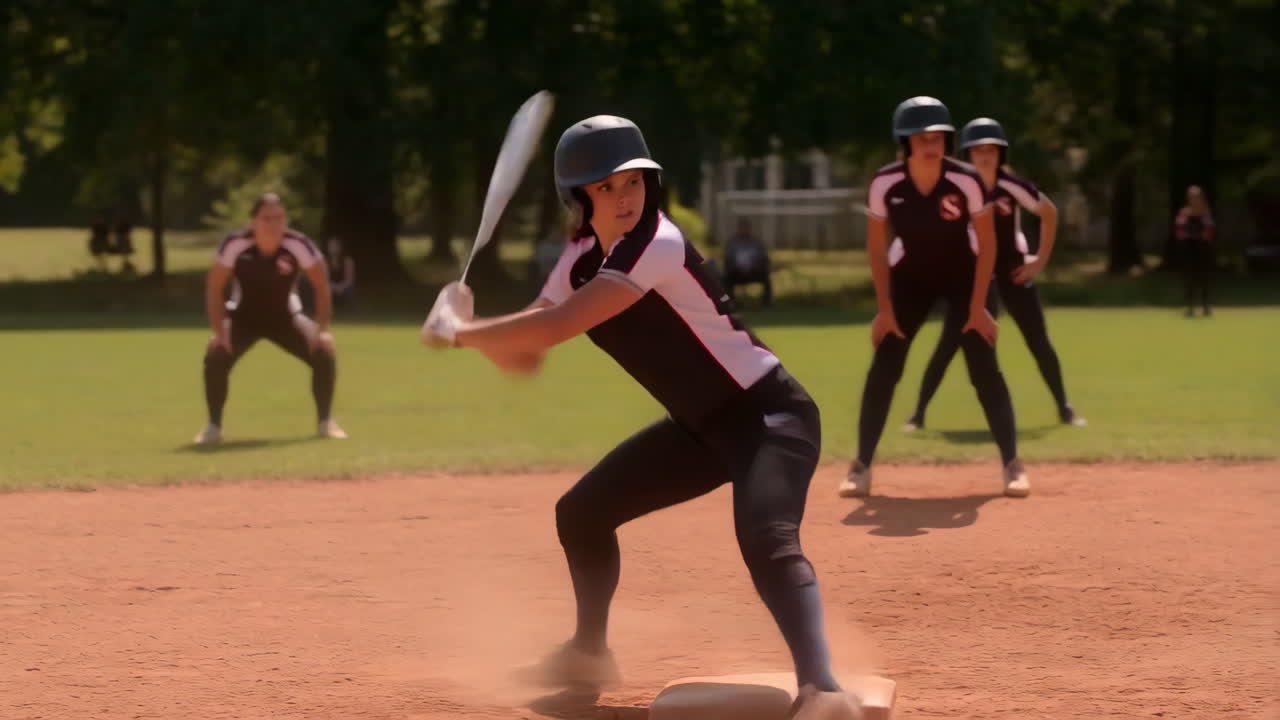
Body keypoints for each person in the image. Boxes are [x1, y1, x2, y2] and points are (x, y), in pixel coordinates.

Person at [421, 115, 863, 719]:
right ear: (580, 199)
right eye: (604, 187)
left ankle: (824, 690)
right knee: (582, 513)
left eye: (631, 181)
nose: (623, 196)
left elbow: (553, 327)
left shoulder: (658, 242)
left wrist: (460, 335)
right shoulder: (578, 259)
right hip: (700, 428)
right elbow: (525, 356)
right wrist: (468, 320)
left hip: (769, 417)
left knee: (766, 537)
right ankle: (588, 653)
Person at [840, 97, 1029, 499]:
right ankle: (861, 466)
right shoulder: (885, 183)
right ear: (905, 143)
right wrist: (885, 310)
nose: (932, 145)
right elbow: (877, 250)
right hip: (910, 279)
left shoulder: (965, 180)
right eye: (922, 138)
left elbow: (989, 244)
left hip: (966, 277)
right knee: (885, 366)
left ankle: (1013, 464)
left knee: (983, 367)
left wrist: (978, 307)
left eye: (939, 137)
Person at [903, 118, 1086, 431]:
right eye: (978, 150)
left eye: (991, 149)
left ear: (1001, 153)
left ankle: (1065, 407)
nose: (985, 156)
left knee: (1038, 341)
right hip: (972, 278)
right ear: (967, 154)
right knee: (949, 343)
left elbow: (1048, 212)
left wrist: (1039, 260)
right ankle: (918, 414)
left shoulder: (1009, 184)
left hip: (1012, 271)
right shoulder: (955, 185)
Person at [192, 193, 347, 445]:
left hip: (285, 317)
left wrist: (322, 330)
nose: (273, 224)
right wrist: (220, 333)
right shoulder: (235, 244)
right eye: (266, 218)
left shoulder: (298, 244)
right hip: (243, 317)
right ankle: (213, 427)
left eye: (279, 218)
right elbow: (214, 288)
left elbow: (321, 286)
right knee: (216, 353)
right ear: (253, 222)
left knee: (325, 350)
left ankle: (325, 423)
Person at [1176, 185, 1215, 317]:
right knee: (1189, 277)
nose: (1194, 199)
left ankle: (1206, 305)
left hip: (1203, 248)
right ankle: (1190, 306)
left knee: (1204, 277)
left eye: (1197, 197)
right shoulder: (1184, 212)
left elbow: (1209, 229)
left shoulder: (1206, 213)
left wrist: (1203, 236)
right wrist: (1186, 235)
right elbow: (1179, 230)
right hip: (1188, 248)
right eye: (1192, 197)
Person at [722, 217, 773, 306]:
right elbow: (728, 258)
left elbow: (763, 258)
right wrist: (737, 267)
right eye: (742, 228)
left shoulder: (756, 243)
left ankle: (766, 303)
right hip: (736, 271)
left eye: (746, 228)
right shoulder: (733, 243)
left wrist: (753, 267)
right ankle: (730, 303)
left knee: (766, 277)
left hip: (754, 271)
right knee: (725, 279)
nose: (744, 230)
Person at [326, 236, 357, 309]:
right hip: (331, 286)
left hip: (344, 286)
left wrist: (341, 287)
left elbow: (349, 280)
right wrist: (333, 287)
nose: (333, 248)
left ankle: (349, 309)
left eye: (336, 245)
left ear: (340, 247)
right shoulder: (325, 262)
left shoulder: (348, 261)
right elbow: (325, 279)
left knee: (349, 290)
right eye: (331, 245)